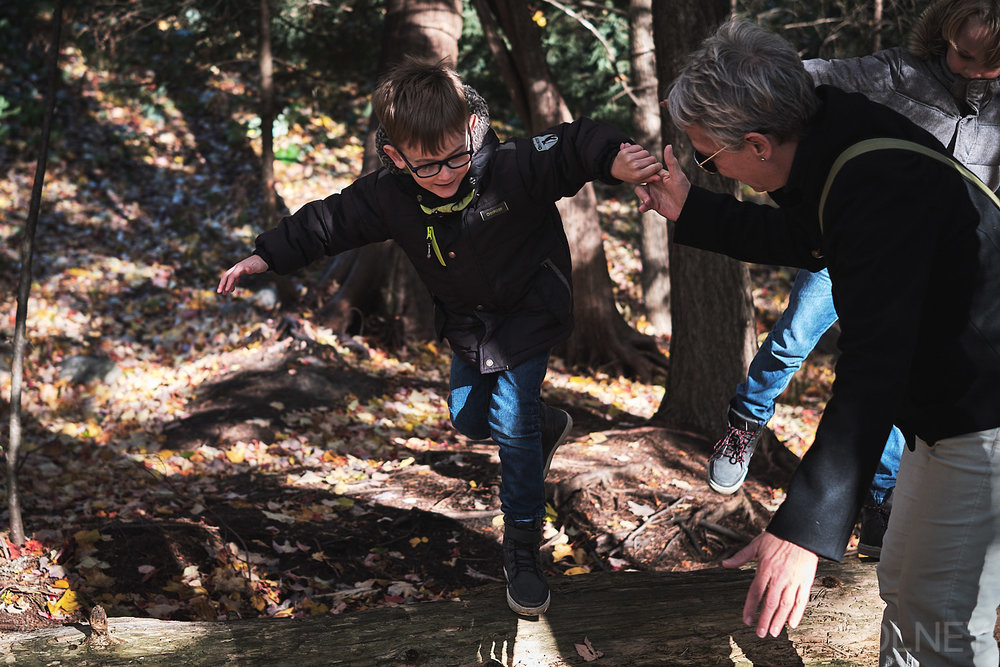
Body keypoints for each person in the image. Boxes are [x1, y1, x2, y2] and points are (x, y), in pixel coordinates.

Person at [217, 58, 661, 617]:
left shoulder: (512, 165)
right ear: (396, 157)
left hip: (528, 314)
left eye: (457, 155)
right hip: (468, 326)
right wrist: (266, 255)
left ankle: (522, 550)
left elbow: (575, 144)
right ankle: (549, 425)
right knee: (467, 419)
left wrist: (616, 156)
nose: (449, 172)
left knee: (510, 425)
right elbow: (328, 221)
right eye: (429, 166)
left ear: (472, 127)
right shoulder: (389, 196)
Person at [636, 18, 1000, 666]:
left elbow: (873, 369)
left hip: (983, 418)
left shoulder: (873, 176)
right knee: (907, 588)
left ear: (756, 143)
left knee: (946, 618)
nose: (704, 166)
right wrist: (692, 207)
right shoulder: (830, 135)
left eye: (706, 157)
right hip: (946, 410)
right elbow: (813, 238)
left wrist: (804, 529)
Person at [708, 0, 1000, 563]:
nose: (967, 68)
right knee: (795, 335)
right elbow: (810, 78)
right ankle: (746, 421)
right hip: (844, 239)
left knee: (894, 379)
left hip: (930, 271)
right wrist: (724, 93)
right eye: (961, 52)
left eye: (987, 62)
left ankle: (881, 497)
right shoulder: (902, 71)